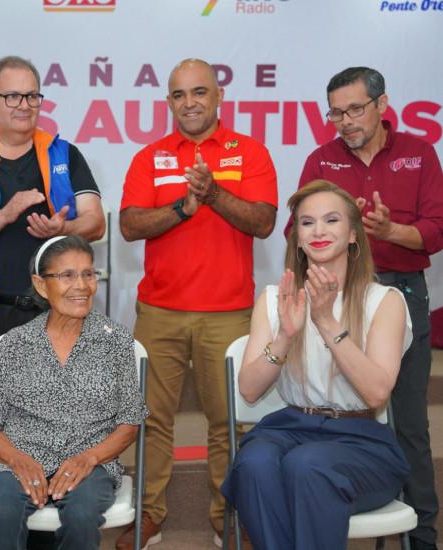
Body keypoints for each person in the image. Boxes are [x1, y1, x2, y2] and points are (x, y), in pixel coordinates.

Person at [0, 56, 106, 517]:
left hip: (54, 316)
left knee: (58, 423)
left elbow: (95, 221)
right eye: (12, 95)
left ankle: (49, 530)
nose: (24, 105)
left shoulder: (64, 154)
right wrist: (5, 215)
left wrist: (64, 228)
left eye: (32, 95)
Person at [116, 58, 277, 549]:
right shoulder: (151, 156)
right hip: (159, 312)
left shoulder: (249, 152)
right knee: (150, 418)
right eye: (179, 94)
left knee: (228, 422)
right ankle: (148, 515)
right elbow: (130, 225)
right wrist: (183, 208)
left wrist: (212, 194)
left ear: (218, 96)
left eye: (199, 92)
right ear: (169, 101)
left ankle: (228, 517)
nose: (189, 103)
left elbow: (263, 222)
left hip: (228, 314)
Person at [297, 67, 443, 550]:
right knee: (337, 409)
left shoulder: (419, 153)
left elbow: (438, 229)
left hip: (400, 290)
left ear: (382, 105)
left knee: (409, 423)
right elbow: (295, 230)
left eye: (355, 109)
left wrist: (388, 231)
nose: (345, 121)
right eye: (336, 113)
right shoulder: (321, 159)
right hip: (338, 297)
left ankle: (421, 538)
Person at [221, 179, 412, 550]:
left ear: (353, 235)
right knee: (254, 463)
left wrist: (326, 321)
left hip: (360, 439)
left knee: (306, 465)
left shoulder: (384, 300)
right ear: (297, 238)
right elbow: (249, 389)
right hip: (290, 427)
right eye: (307, 223)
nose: (318, 231)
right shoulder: (275, 299)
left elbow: (376, 394)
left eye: (331, 220)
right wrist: (284, 337)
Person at [0, 235, 147, 550]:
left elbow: (130, 423)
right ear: (41, 285)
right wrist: (16, 459)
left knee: (81, 515)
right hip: (21, 459)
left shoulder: (117, 342)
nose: (81, 285)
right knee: (4, 511)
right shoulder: (15, 343)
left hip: (91, 463)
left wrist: (89, 457)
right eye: (67, 275)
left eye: (88, 274)